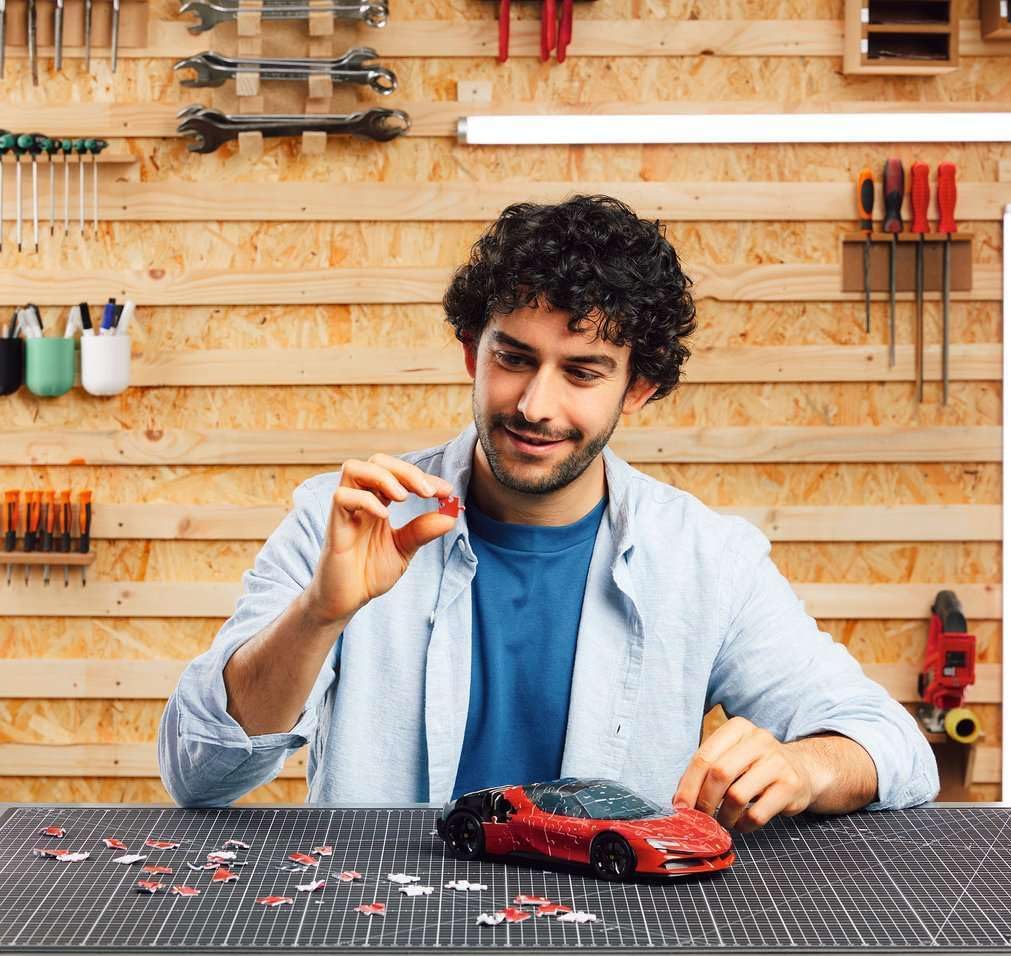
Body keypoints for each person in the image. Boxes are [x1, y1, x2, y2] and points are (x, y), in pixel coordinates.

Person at [158, 195, 939, 831]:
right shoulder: (349, 521)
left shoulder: (707, 559)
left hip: (607, 941)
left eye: (583, 372)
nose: (535, 404)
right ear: (473, 353)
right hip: (382, 933)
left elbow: (893, 746)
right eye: (514, 358)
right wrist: (318, 615)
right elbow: (198, 772)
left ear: (638, 388)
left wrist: (803, 766)